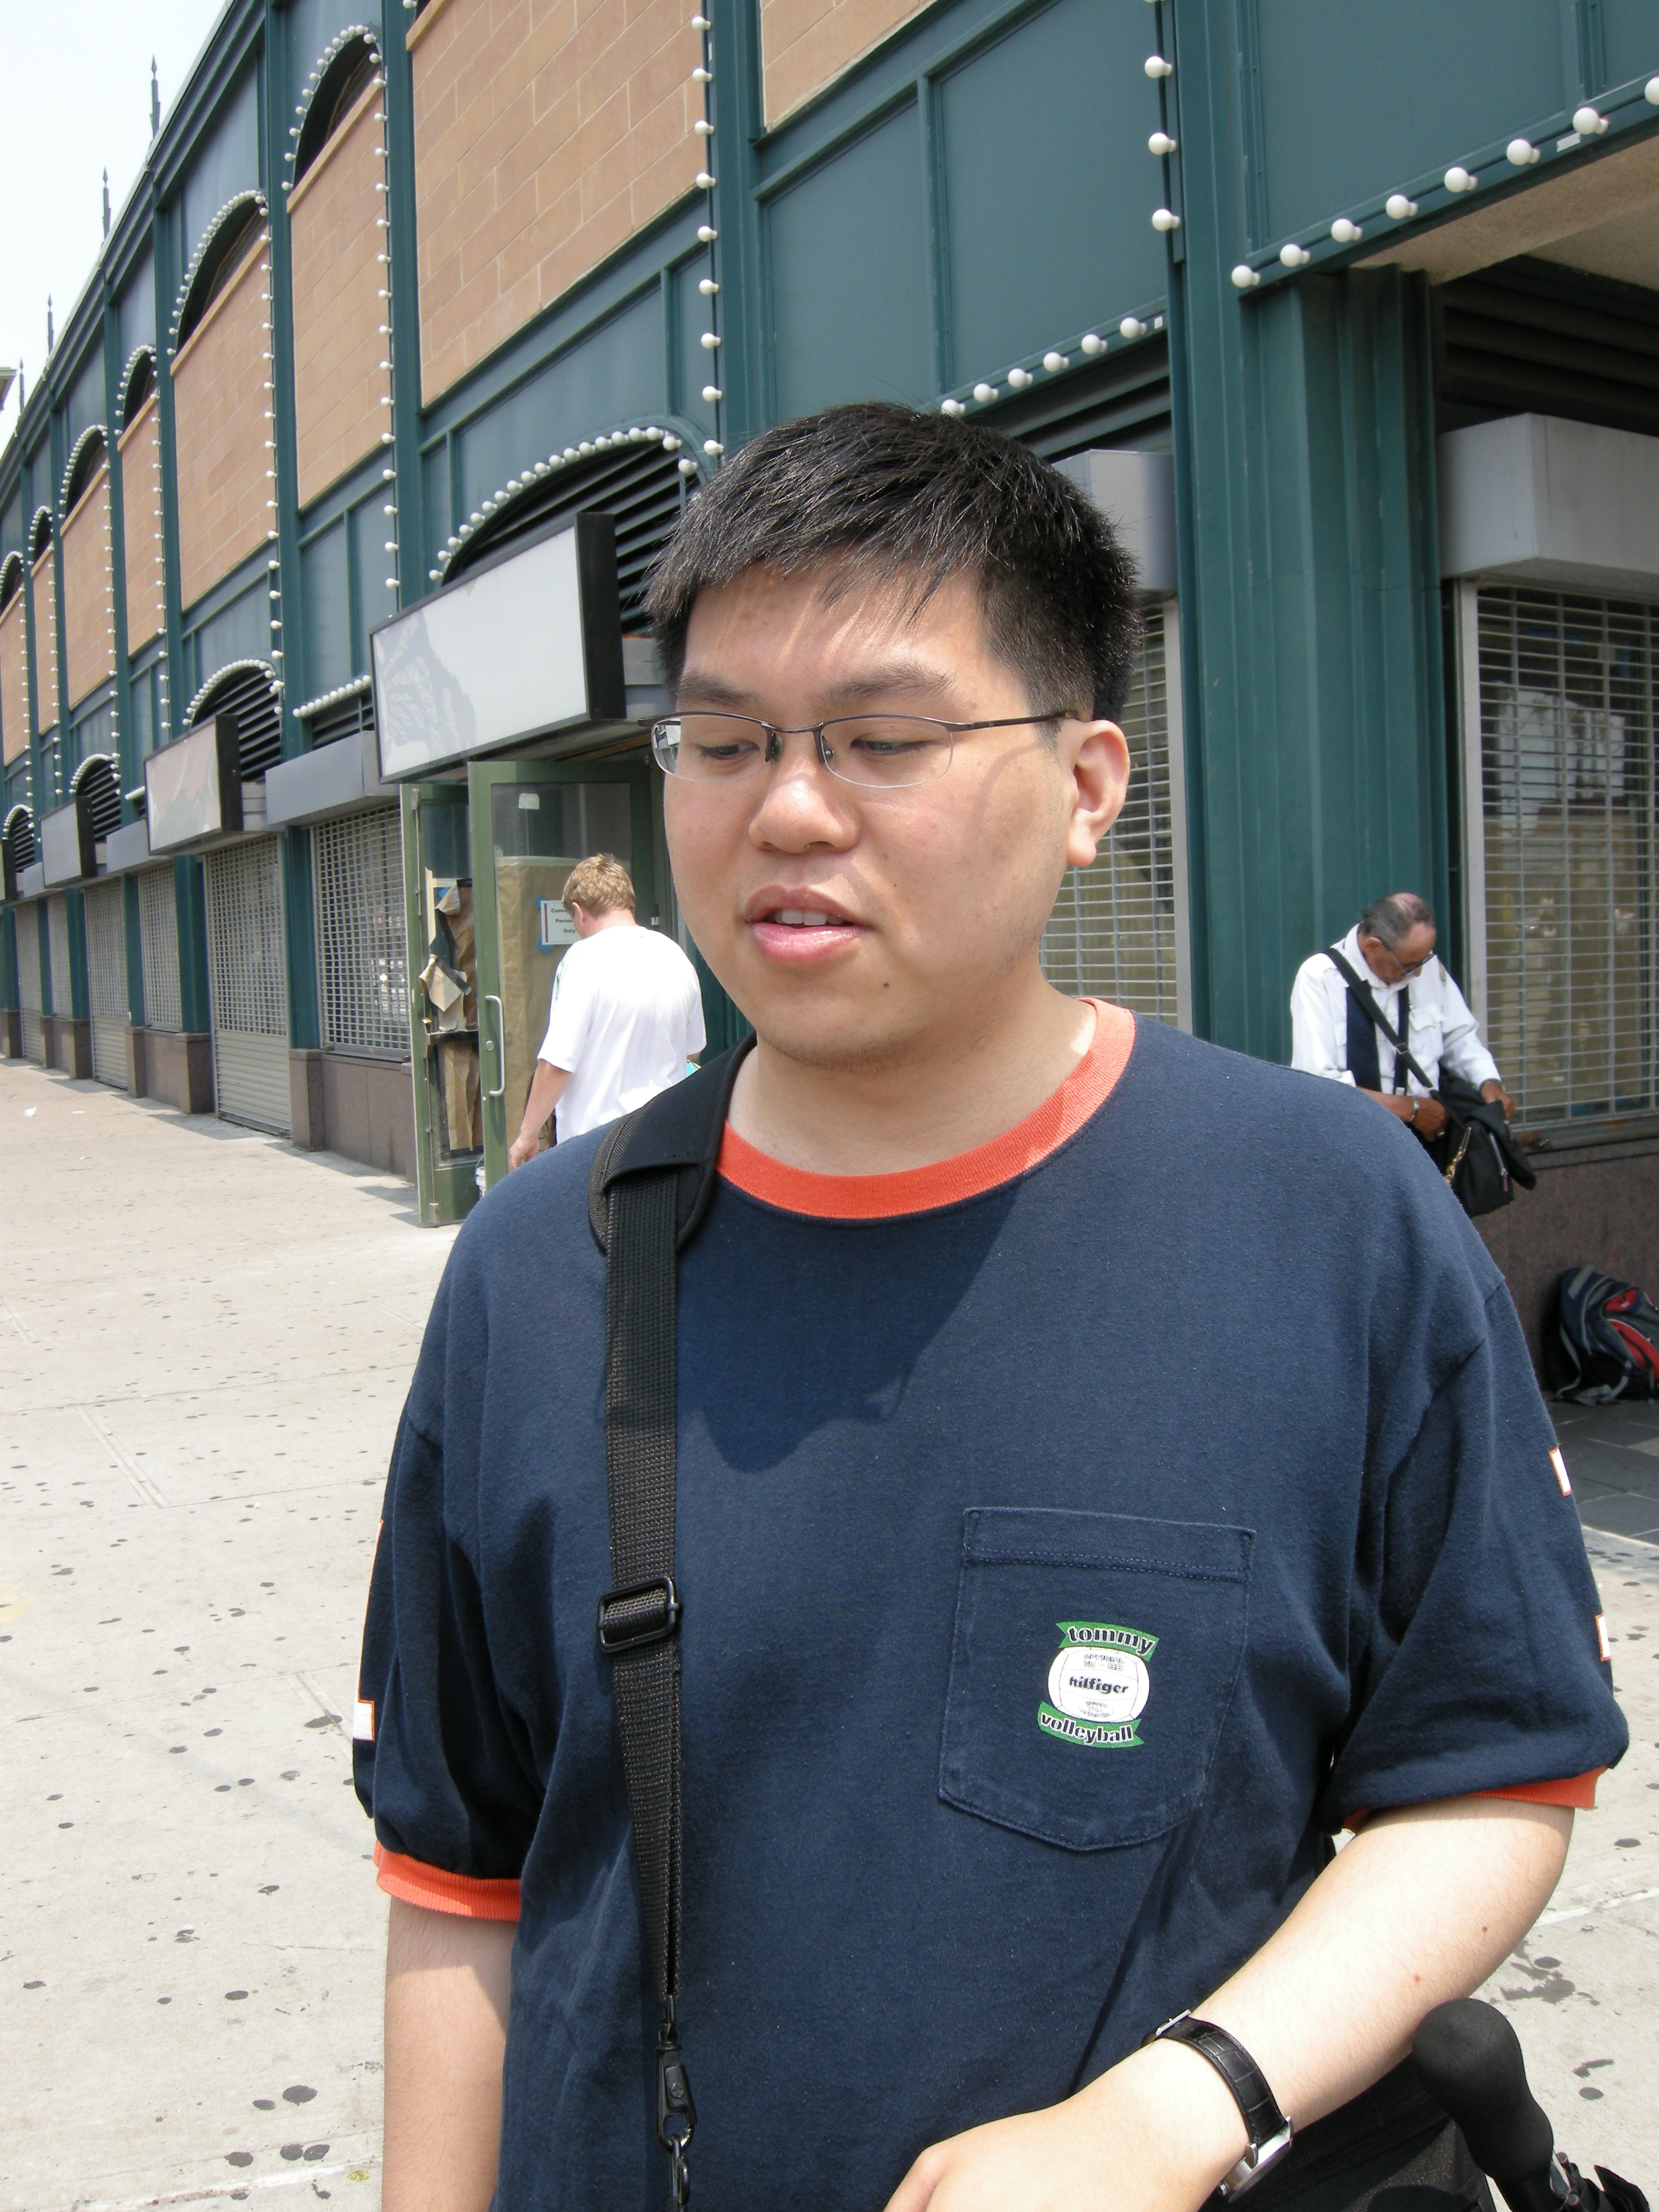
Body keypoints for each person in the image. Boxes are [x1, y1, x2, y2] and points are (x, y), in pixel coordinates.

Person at [354, 405, 1624, 2212]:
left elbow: (1492, 1774)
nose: (788, 808)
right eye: (722, 740)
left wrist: (1174, 2112)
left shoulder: (1330, 1217)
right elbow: (461, 1887)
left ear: (1091, 785)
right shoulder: (534, 1275)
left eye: (884, 739)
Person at [505, 852, 704, 1169]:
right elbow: (691, 1053)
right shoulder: (676, 956)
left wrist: (528, 1135)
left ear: (578, 911)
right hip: (665, 1145)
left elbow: (558, 1062)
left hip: (597, 1150)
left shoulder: (582, 959)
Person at [1290, 893, 1514, 1141]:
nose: (1417, 974)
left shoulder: (1423, 965)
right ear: (1373, 946)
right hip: (1352, 1141)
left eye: (1424, 960)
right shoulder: (1320, 977)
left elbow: (1458, 1036)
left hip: (1426, 1140)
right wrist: (1411, 1109)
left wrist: (1487, 1081)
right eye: (1408, 966)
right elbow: (1318, 1085)